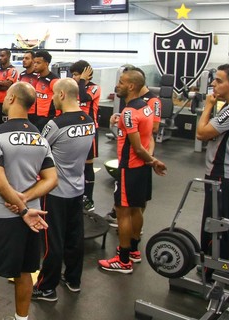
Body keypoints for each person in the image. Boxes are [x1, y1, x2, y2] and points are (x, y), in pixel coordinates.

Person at [0, 82, 57, 320]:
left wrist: (20, 207)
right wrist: (27, 200)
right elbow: (51, 179)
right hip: (35, 217)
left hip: (3, 216)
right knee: (25, 272)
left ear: (10, 100)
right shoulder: (40, 138)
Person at [98, 69, 167, 273]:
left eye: (121, 82)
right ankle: (134, 251)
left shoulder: (130, 112)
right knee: (136, 208)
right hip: (141, 167)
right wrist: (151, 160)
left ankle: (124, 260)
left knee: (122, 212)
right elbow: (149, 138)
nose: (117, 85)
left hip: (130, 167)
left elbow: (137, 147)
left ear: (131, 86)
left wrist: (153, 161)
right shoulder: (145, 107)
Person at [32, 78, 94, 301]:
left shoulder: (56, 124)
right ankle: (73, 279)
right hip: (77, 189)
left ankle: (46, 288)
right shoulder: (89, 121)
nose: (50, 98)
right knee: (74, 237)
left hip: (55, 191)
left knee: (52, 241)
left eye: (52, 95)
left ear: (61, 95)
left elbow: (38, 151)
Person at [196, 64, 229, 280]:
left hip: (222, 176)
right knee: (224, 224)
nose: (214, 84)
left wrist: (208, 105)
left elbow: (202, 133)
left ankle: (212, 273)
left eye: (219, 81)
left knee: (214, 225)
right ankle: (220, 268)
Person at [70, 61, 100, 212]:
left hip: (89, 131)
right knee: (76, 164)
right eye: (73, 74)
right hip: (75, 131)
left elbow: (83, 98)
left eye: (76, 74)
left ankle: (89, 199)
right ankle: (77, 195)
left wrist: (82, 80)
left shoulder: (94, 88)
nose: (73, 77)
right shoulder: (75, 88)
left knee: (88, 165)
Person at [31, 50, 59, 131]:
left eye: (38, 63)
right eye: (34, 63)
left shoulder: (54, 80)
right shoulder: (38, 78)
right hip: (36, 116)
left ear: (46, 64)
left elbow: (61, 99)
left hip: (48, 118)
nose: (35, 65)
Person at [0, 48, 18, 127]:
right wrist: (1, 83)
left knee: (7, 126)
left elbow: (7, 86)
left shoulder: (12, 70)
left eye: (2, 56)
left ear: (8, 56)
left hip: (7, 103)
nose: (0, 58)